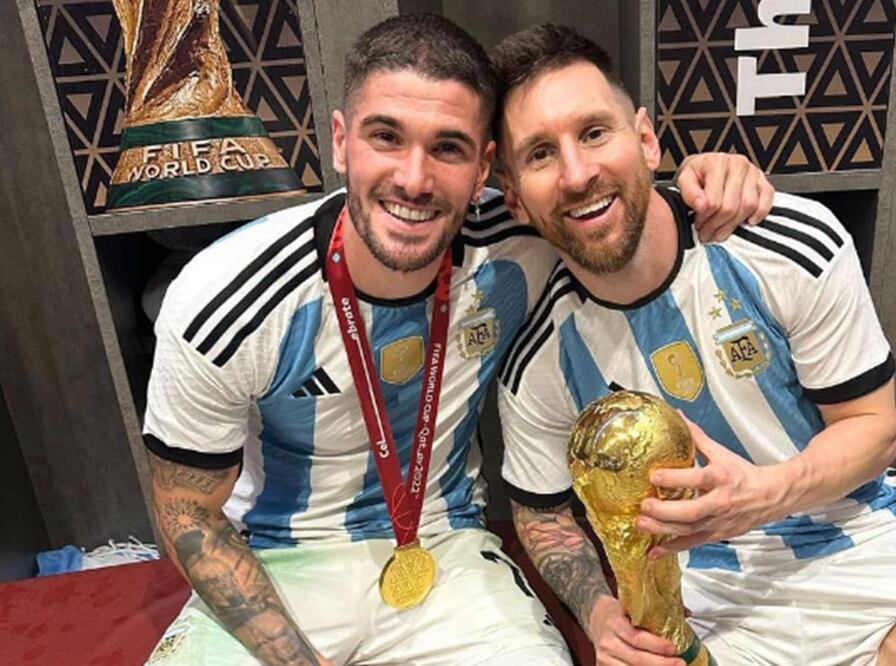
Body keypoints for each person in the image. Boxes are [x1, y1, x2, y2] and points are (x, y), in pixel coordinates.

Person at [141, 14, 773, 666]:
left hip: (445, 545)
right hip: (276, 557)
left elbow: (614, 203)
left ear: (484, 170)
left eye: (447, 148)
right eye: (385, 137)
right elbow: (188, 513)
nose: (413, 179)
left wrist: (714, 174)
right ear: (339, 141)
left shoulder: (523, 234)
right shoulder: (224, 294)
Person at [492, 24, 896, 666]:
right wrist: (599, 613)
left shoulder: (785, 240)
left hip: (858, 551)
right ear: (513, 197)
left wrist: (763, 495)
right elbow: (542, 515)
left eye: (595, 132)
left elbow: (874, 430)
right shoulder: (539, 353)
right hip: (696, 600)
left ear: (645, 140)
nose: (577, 172)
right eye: (539, 154)